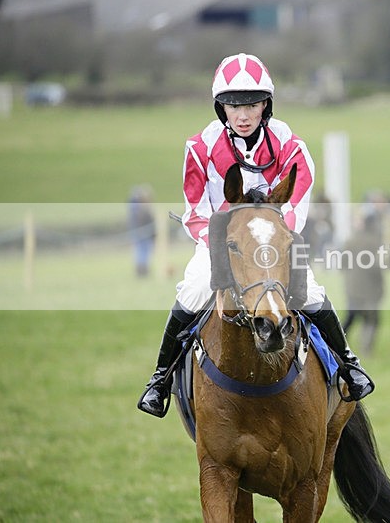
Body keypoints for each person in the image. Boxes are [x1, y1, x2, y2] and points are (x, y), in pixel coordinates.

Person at [137, 53, 374, 418]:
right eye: (234, 106)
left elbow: (295, 206)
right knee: (194, 289)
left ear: (266, 105)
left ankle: (349, 365)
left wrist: (269, 241)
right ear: (221, 108)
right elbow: (195, 211)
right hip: (221, 243)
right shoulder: (199, 148)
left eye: (251, 105)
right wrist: (226, 244)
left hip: (274, 241)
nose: (243, 115)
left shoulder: (289, 144)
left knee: (310, 292)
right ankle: (159, 381)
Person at [341, 210, 385, 356]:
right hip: (369, 288)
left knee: (351, 316)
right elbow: (376, 267)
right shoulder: (375, 242)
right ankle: (366, 349)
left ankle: (338, 341)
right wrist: (381, 285)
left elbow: (343, 263)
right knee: (371, 320)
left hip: (352, 286)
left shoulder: (351, 240)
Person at [128, 184, 156, 278]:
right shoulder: (140, 208)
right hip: (142, 233)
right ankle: (142, 270)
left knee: (142, 251)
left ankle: (142, 269)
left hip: (141, 233)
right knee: (142, 251)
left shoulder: (135, 208)